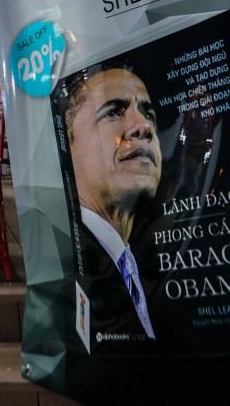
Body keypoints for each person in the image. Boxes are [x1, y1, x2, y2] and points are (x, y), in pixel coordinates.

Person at [59, 62, 161, 344]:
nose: (143, 126)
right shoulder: (65, 267)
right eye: (114, 111)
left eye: (148, 113)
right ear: (67, 143)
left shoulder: (142, 261)